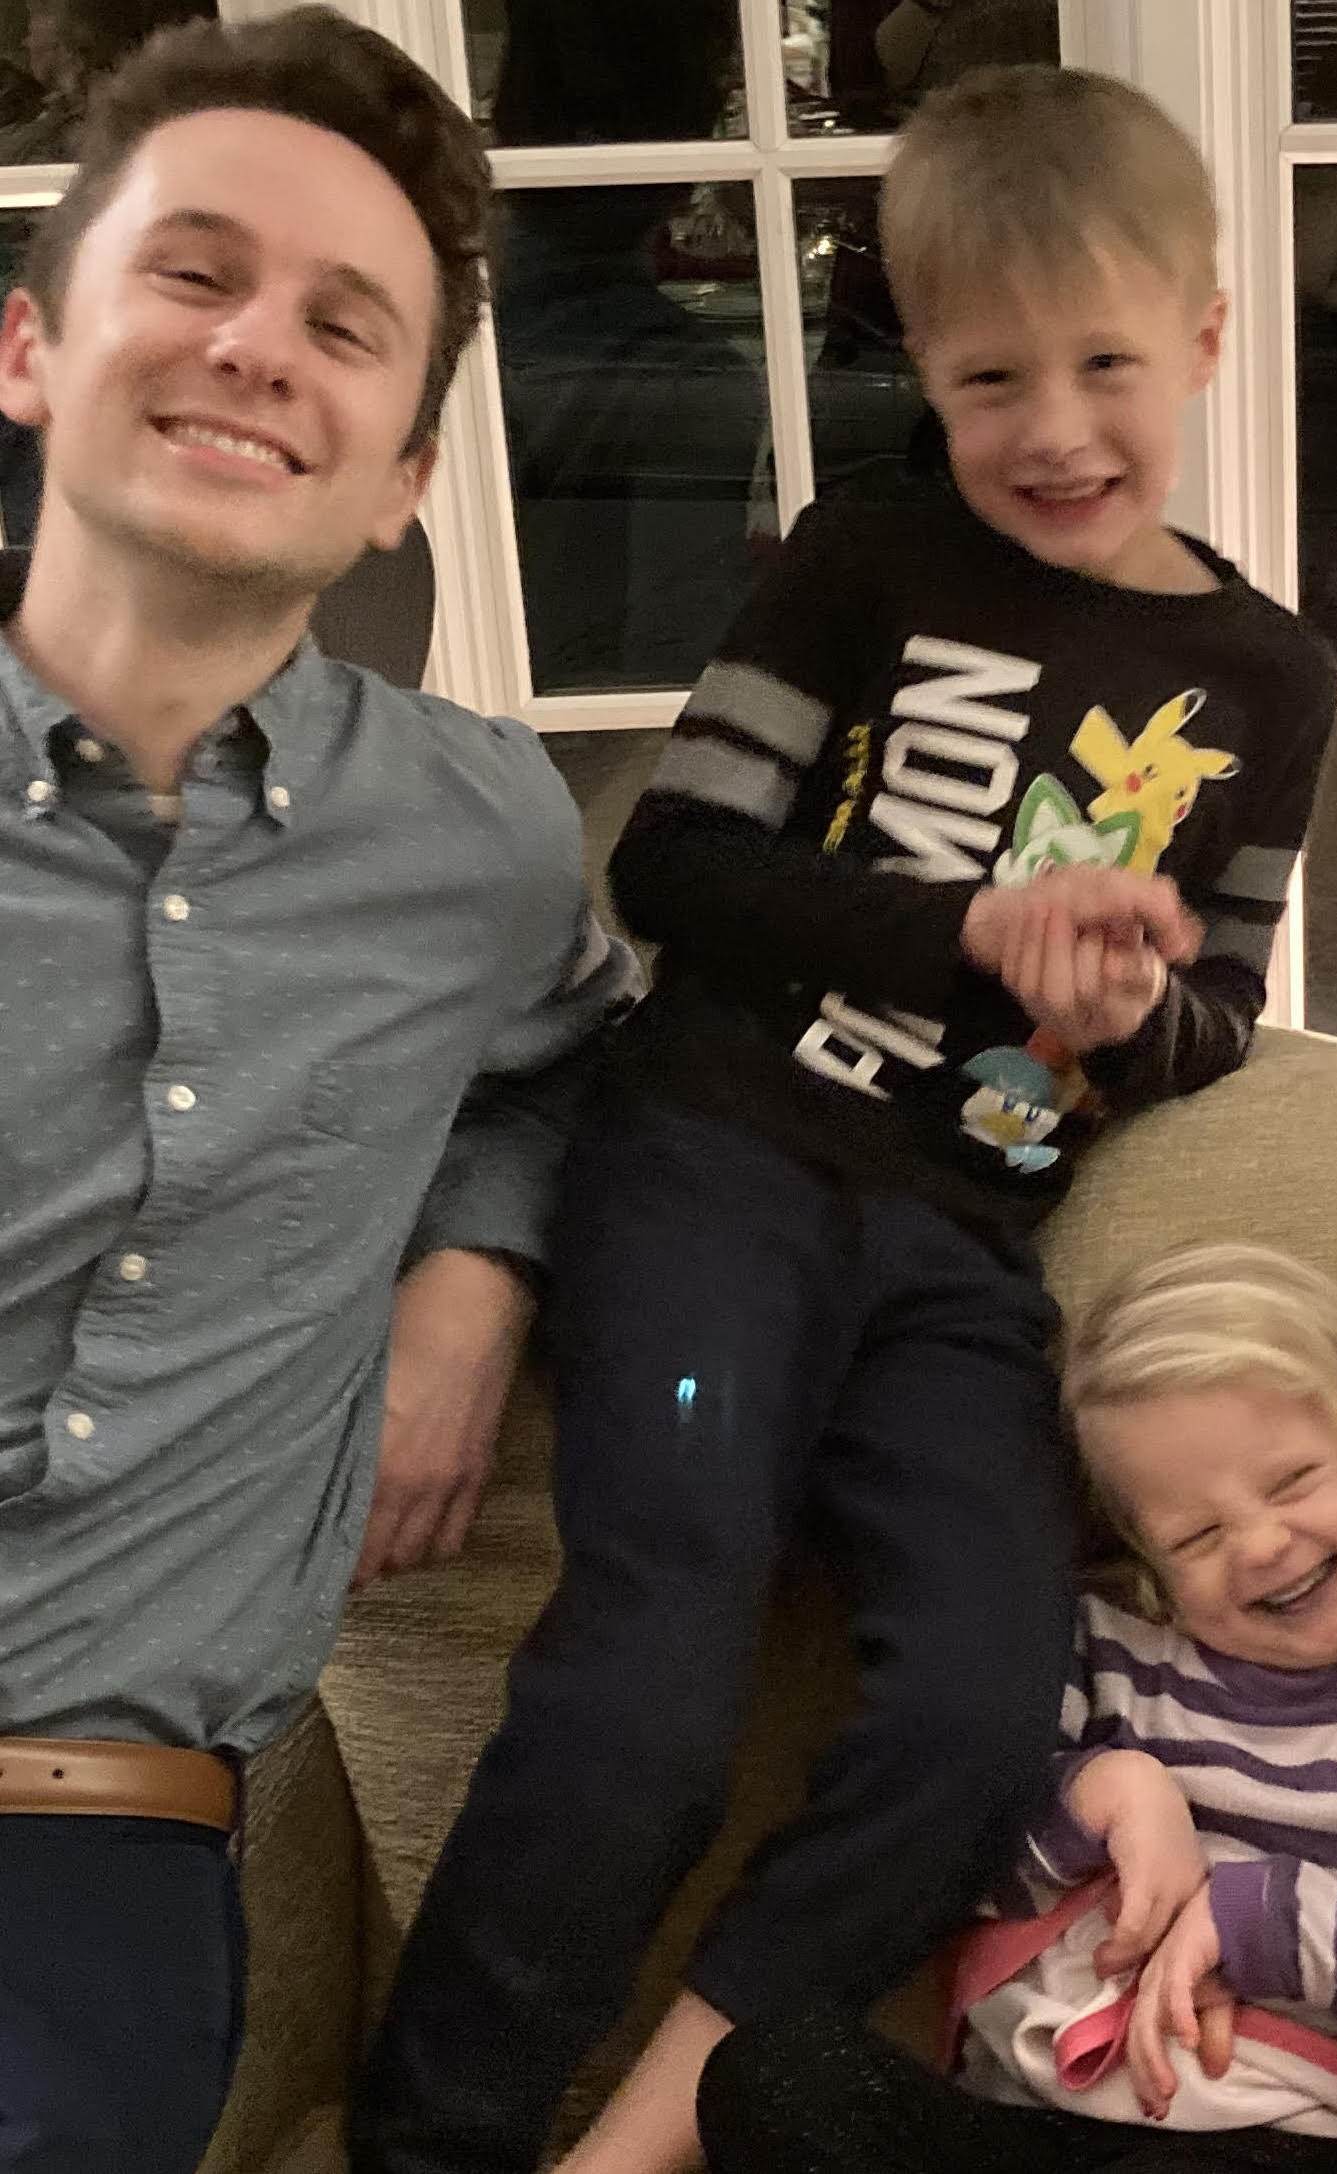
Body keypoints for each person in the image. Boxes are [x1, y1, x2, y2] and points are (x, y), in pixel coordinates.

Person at [350, 63, 1337, 2174]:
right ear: (924, 366)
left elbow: (1223, 1013)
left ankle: (645, 2141)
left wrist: (1129, 1009)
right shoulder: (865, 554)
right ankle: (429, 2139)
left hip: (964, 1247)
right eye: (990, 379)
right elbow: (675, 864)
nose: (1053, 427)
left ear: (1203, 335)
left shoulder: (1276, 681)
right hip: (713, 1172)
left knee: (986, 1707)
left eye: (1103, 364)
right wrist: (970, 928)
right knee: (654, 1678)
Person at [0, 11, 638, 2174]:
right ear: (30, 346)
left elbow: (577, 1060)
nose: (258, 344)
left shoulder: (481, 843)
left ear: (398, 483)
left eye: (344, 325)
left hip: (91, 1872)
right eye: (194, 272)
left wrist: (474, 1274)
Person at [697, 1242, 1337, 2173]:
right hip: (1017, 2121)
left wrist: (1254, 1918)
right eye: (1197, 1535)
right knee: (768, 2072)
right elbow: (955, 1874)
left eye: (1292, 1482)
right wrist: (1103, 1795)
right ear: (1143, 1555)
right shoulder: (1110, 1648)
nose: (1261, 1544)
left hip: (1264, 2145)